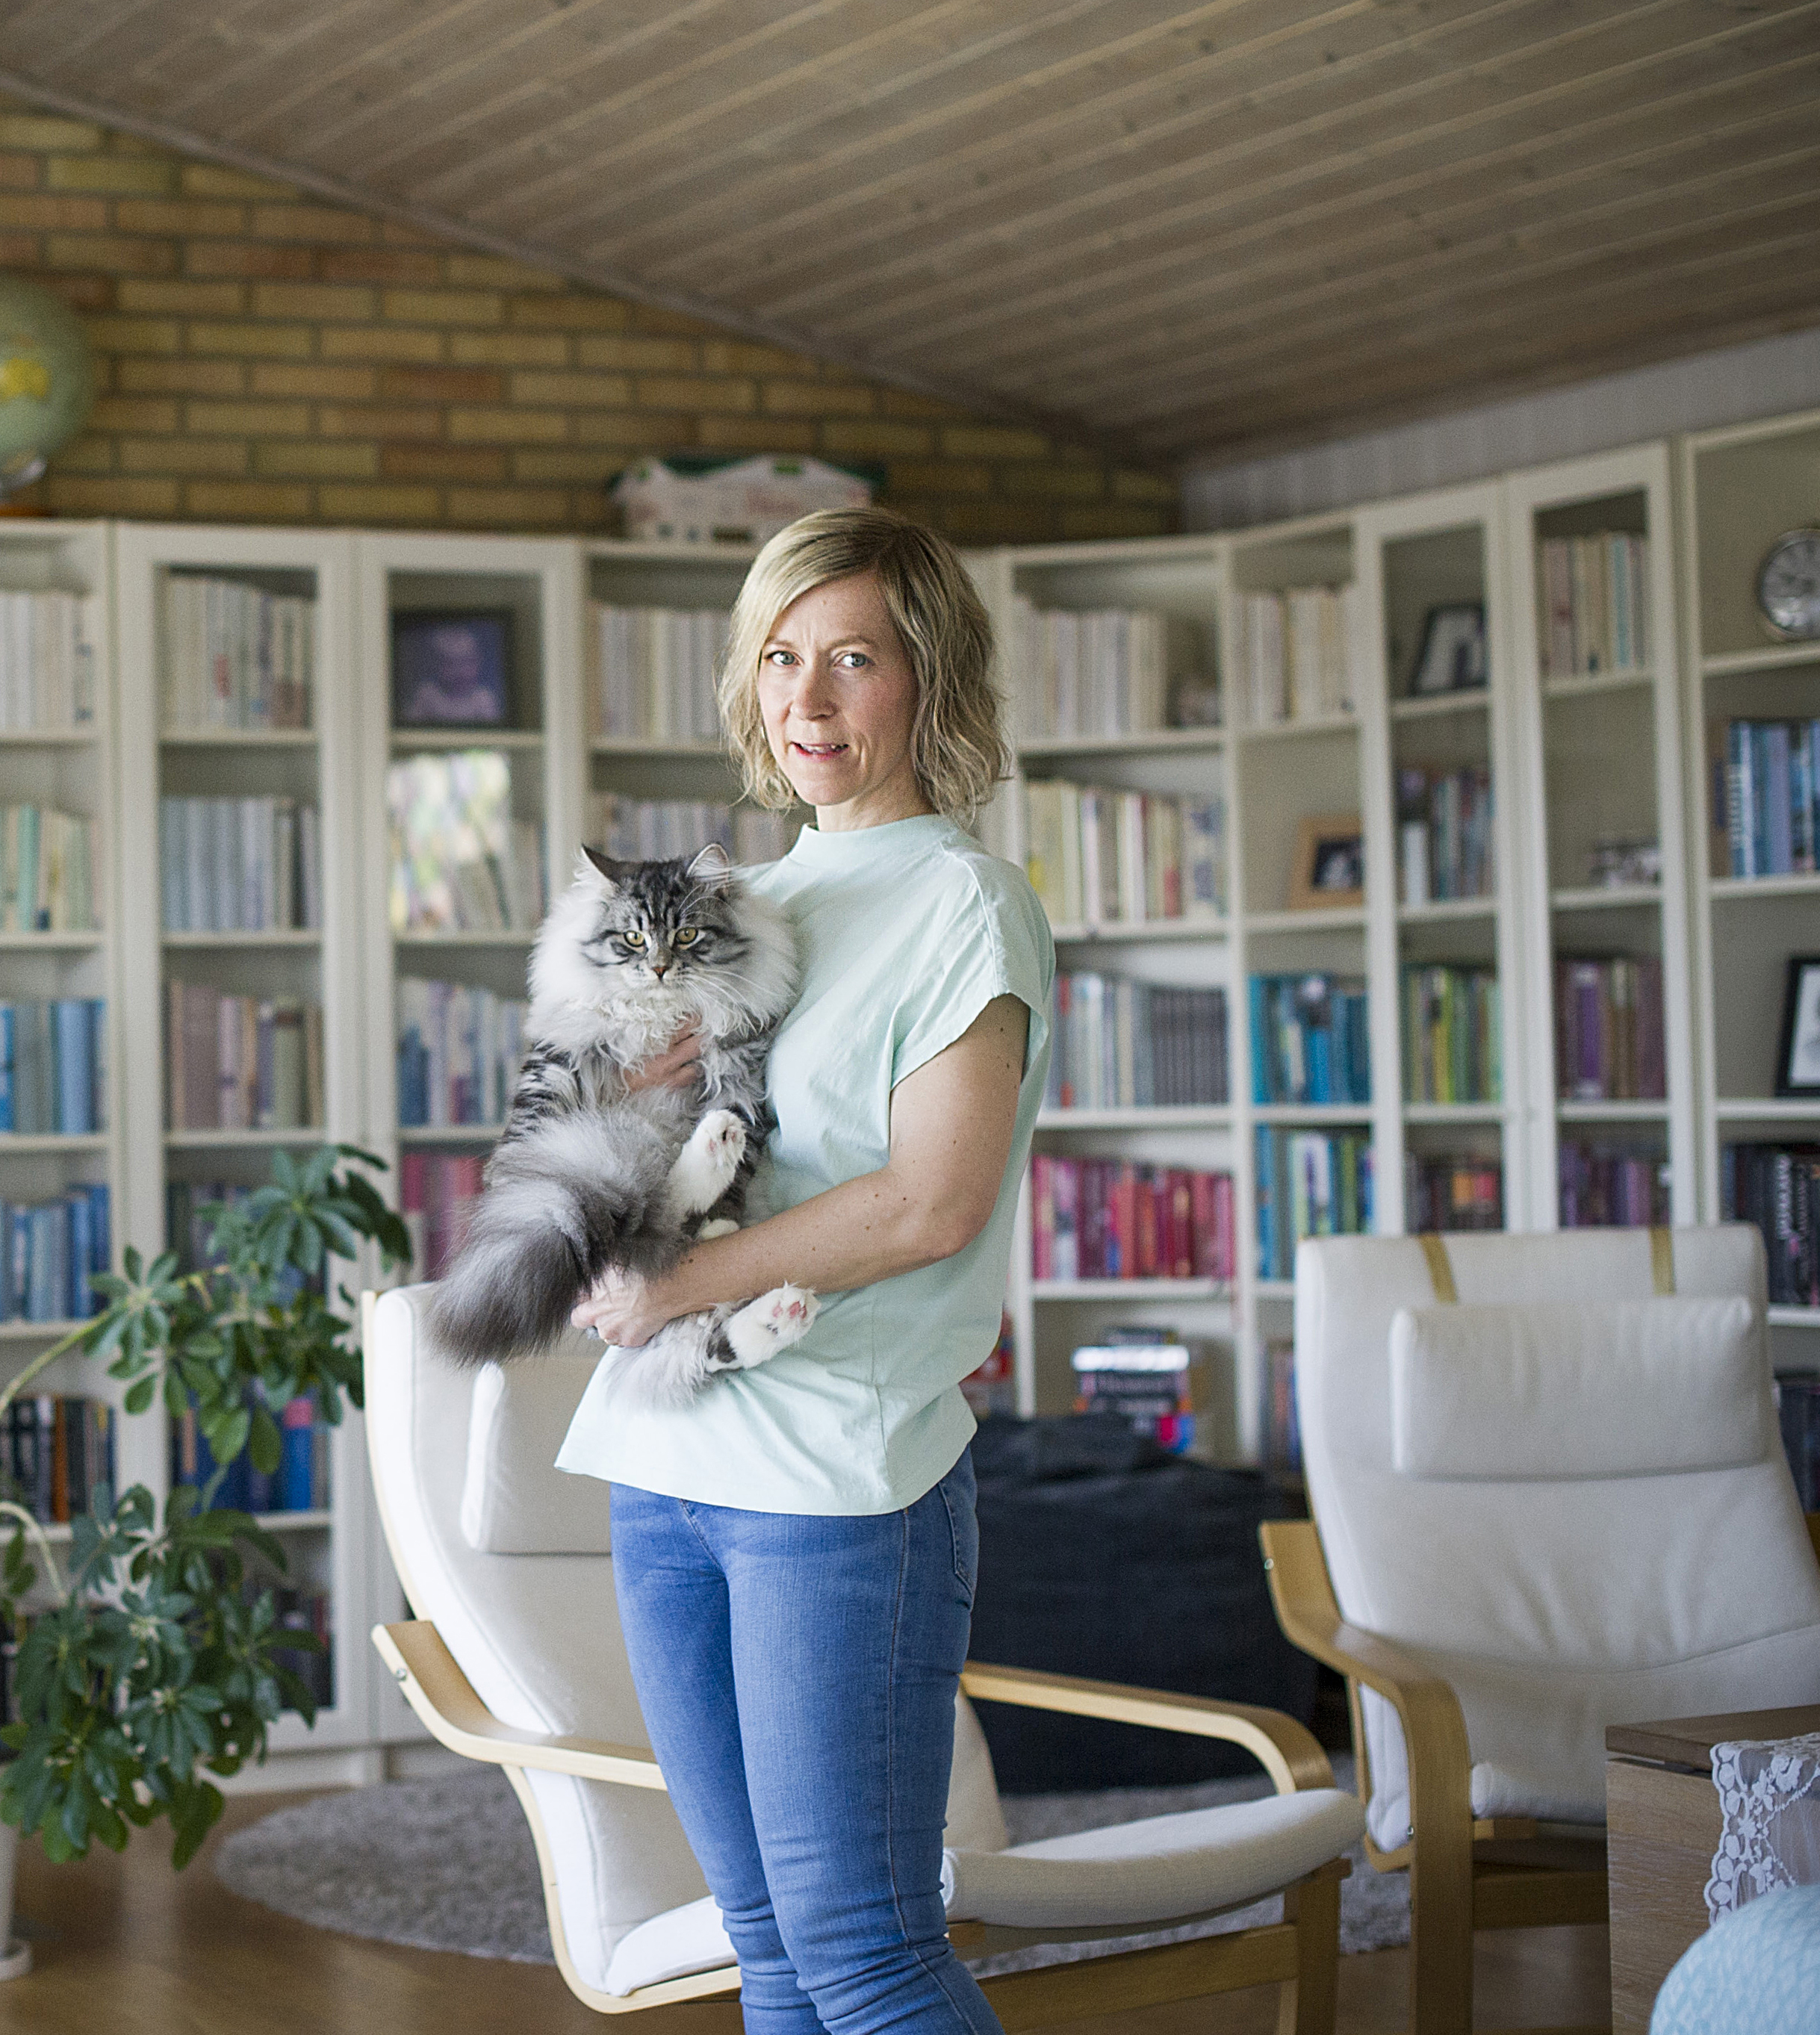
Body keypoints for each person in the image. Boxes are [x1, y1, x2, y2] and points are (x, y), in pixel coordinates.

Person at [554, 504, 1048, 2035]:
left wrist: (679, 1285)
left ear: (926, 682)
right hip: (665, 1464)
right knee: (763, 1954)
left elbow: (925, 1204)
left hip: (837, 1491)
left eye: (853, 658)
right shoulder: (746, 903)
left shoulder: (964, 902)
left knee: (866, 1956)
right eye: (781, 658)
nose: (810, 699)